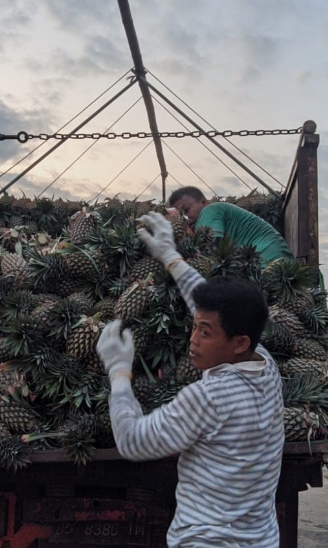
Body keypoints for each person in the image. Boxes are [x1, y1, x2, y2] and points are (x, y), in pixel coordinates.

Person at [96, 211, 284, 548]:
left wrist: (119, 372)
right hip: (260, 540)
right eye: (195, 326)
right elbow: (204, 302)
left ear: (239, 343)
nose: (193, 339)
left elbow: (133, 441)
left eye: (205, 332)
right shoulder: (265, 364)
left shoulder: (209, 398)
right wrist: (170, 257)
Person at [168, 186, 293, 264]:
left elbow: (210, 246)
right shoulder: (208, 216)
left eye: (186, 210)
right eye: (181, 216)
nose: (186, 218)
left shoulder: (209, 209)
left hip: (266, 256)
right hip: (269, 257)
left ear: (203, 201)